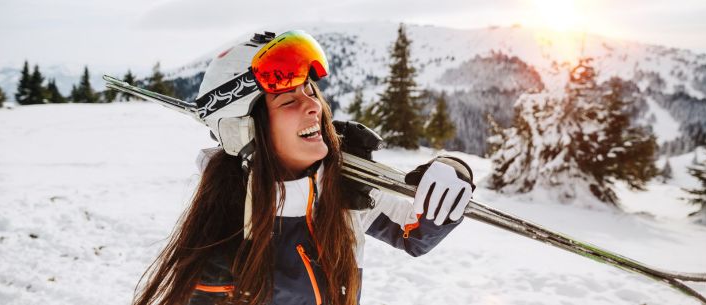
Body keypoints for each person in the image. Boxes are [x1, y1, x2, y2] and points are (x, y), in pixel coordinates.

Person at [131, 30, 476, 305]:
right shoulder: (224, 243)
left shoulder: (341, 191)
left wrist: (452, 175)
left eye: (310, 91)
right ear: (247, 130)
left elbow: (413, 234)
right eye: (289, 100)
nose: (313, 106)